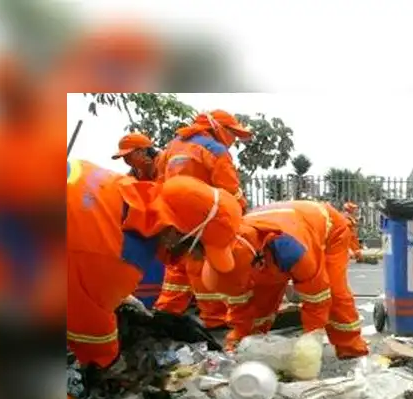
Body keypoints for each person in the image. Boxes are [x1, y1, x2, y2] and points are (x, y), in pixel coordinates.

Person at [67, 160, 242, 369]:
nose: (191, 258)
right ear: (175, 234)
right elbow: (89, 333)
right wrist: (113, 366)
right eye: (197, 251)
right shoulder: (114, 254)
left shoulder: (121, 188)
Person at [199, 201, 369, 359]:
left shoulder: (291, 250)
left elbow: (317, 297)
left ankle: (351, 349)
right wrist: (241, 341)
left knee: (334, 292)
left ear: (257, 266)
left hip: (328, 229)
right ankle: (252, 346)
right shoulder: (230, 251)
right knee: (261, 300)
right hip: (285, 225)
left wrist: (311, 341)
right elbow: (241, 304)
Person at [154, 109, 253, 328]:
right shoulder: (215, 150)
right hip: (205, 222)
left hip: (175, 223)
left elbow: (159, 184)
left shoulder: (172, 147)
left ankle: (163, 320)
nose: (234, 140)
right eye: (233, 134)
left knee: (176, 273)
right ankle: (215, 321)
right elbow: (230, 192)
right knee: (204, 270)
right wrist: (240, 216)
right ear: (219, 128)